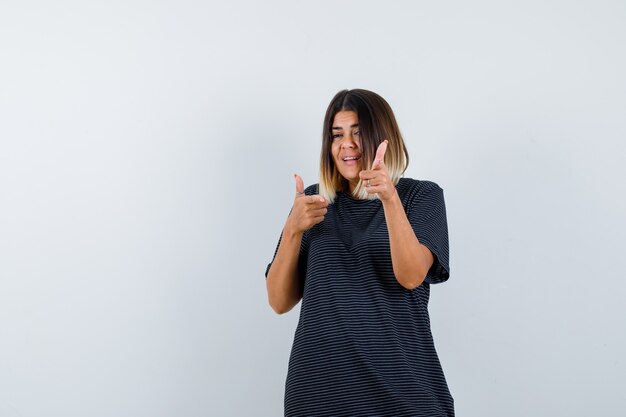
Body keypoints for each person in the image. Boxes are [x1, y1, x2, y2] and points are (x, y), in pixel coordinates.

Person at [265, 89, 454, 416]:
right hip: (318, 395)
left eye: (358, 132)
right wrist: (293, 229)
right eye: (337, 135)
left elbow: (411, 276)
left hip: (402, 392)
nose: (346, 144)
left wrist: (390, 200)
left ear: (383, 138)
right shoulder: (314, 203)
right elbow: (279, 301)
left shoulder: (420, 196)